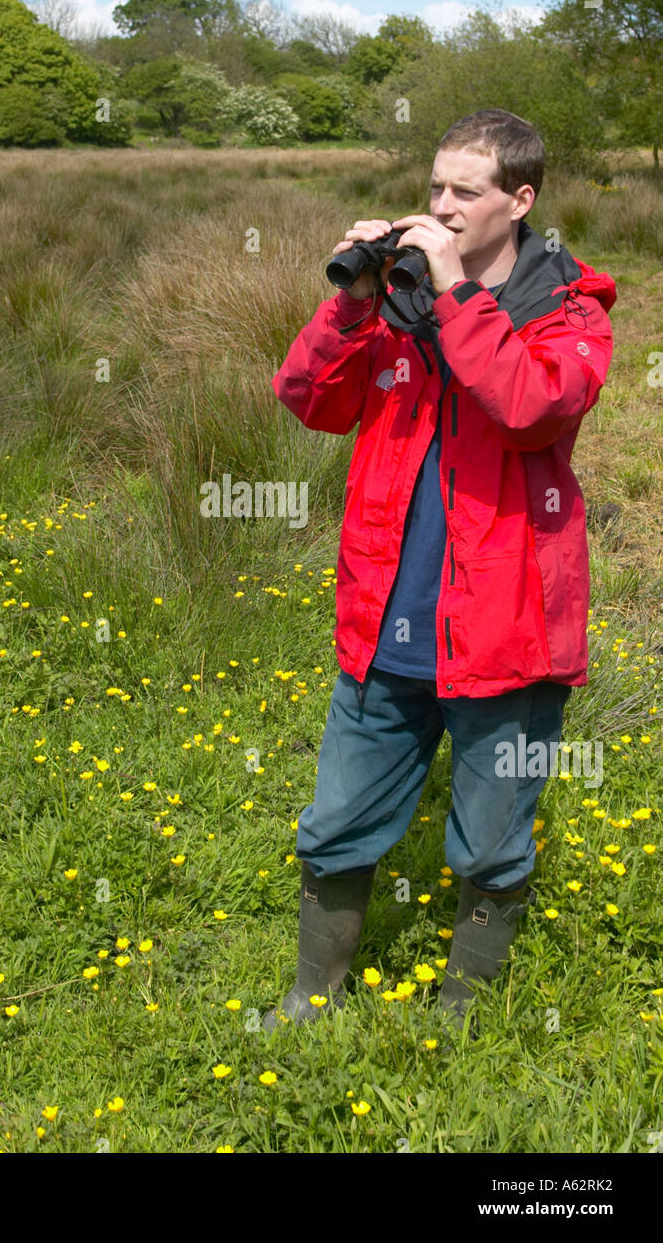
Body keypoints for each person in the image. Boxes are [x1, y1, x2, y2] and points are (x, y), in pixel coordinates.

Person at [263, 109, 616, 1034]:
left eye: (467, 191)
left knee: (492, 841)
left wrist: (455, 292)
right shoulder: (401, 305)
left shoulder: (571, 312)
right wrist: (354, 303)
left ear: (521, 198)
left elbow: (531, 406)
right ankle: (309, 1000)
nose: (443, 208)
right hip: (387, 618)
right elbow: (309, 401)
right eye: (434, 190)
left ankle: (463, 1018)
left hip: (508, 628)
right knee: (337, 821)